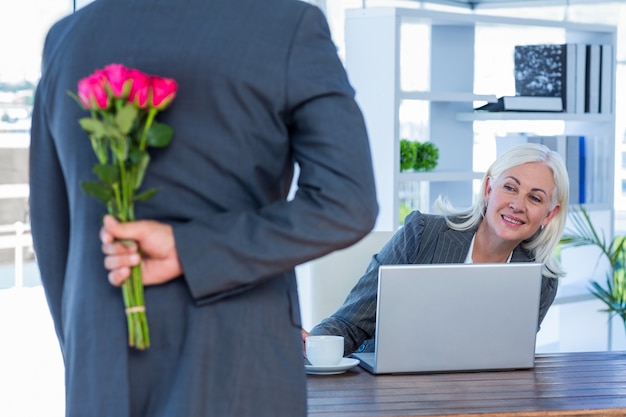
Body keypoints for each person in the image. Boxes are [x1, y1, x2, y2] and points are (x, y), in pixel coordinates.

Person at [29, 1, 379, 416]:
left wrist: (86, 351)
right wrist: (189, 250)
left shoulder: (70, 37)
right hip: (239, 366)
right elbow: (346, 201)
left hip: (100, 367)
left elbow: (53, 231)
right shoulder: (286, 26)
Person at [304, 142, 568, 355]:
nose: (517, 205)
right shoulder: (421, 233)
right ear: (488, 189)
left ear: (548, 215)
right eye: (510, 187)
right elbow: (352, 323)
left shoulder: (541, 280)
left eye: (535, 198)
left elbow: (512, 358)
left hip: (481, 397)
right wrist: (310, 346)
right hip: (389, 392)